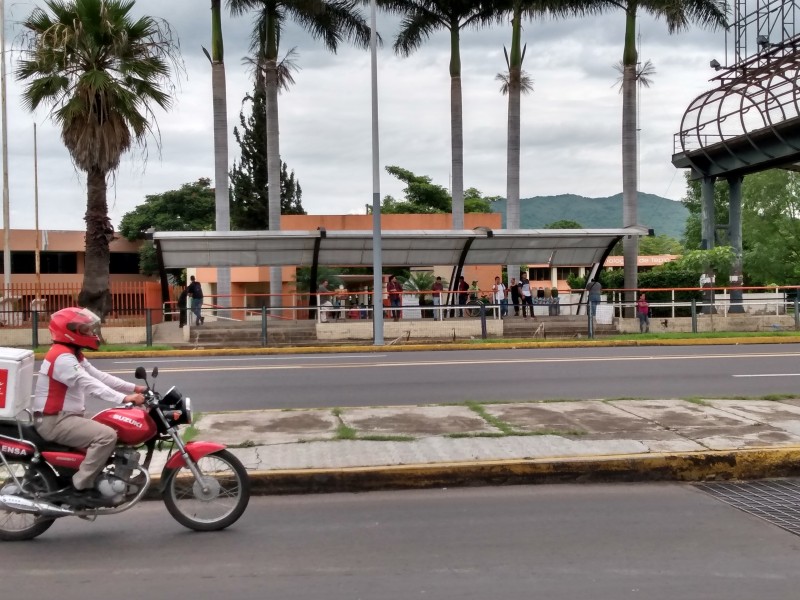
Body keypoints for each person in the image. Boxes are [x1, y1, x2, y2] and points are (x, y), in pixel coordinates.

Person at [33, 307, 146, 505]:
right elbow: (89, 384)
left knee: (110, 427)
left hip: (65, 417)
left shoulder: (72, 354)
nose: (90, 333)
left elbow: (99, 376)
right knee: (106, 436)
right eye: (84, 329)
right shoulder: (62, 358)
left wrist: (135, 387)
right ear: (69, 331)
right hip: (55, 420)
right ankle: (80, 488)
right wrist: (124, 399)